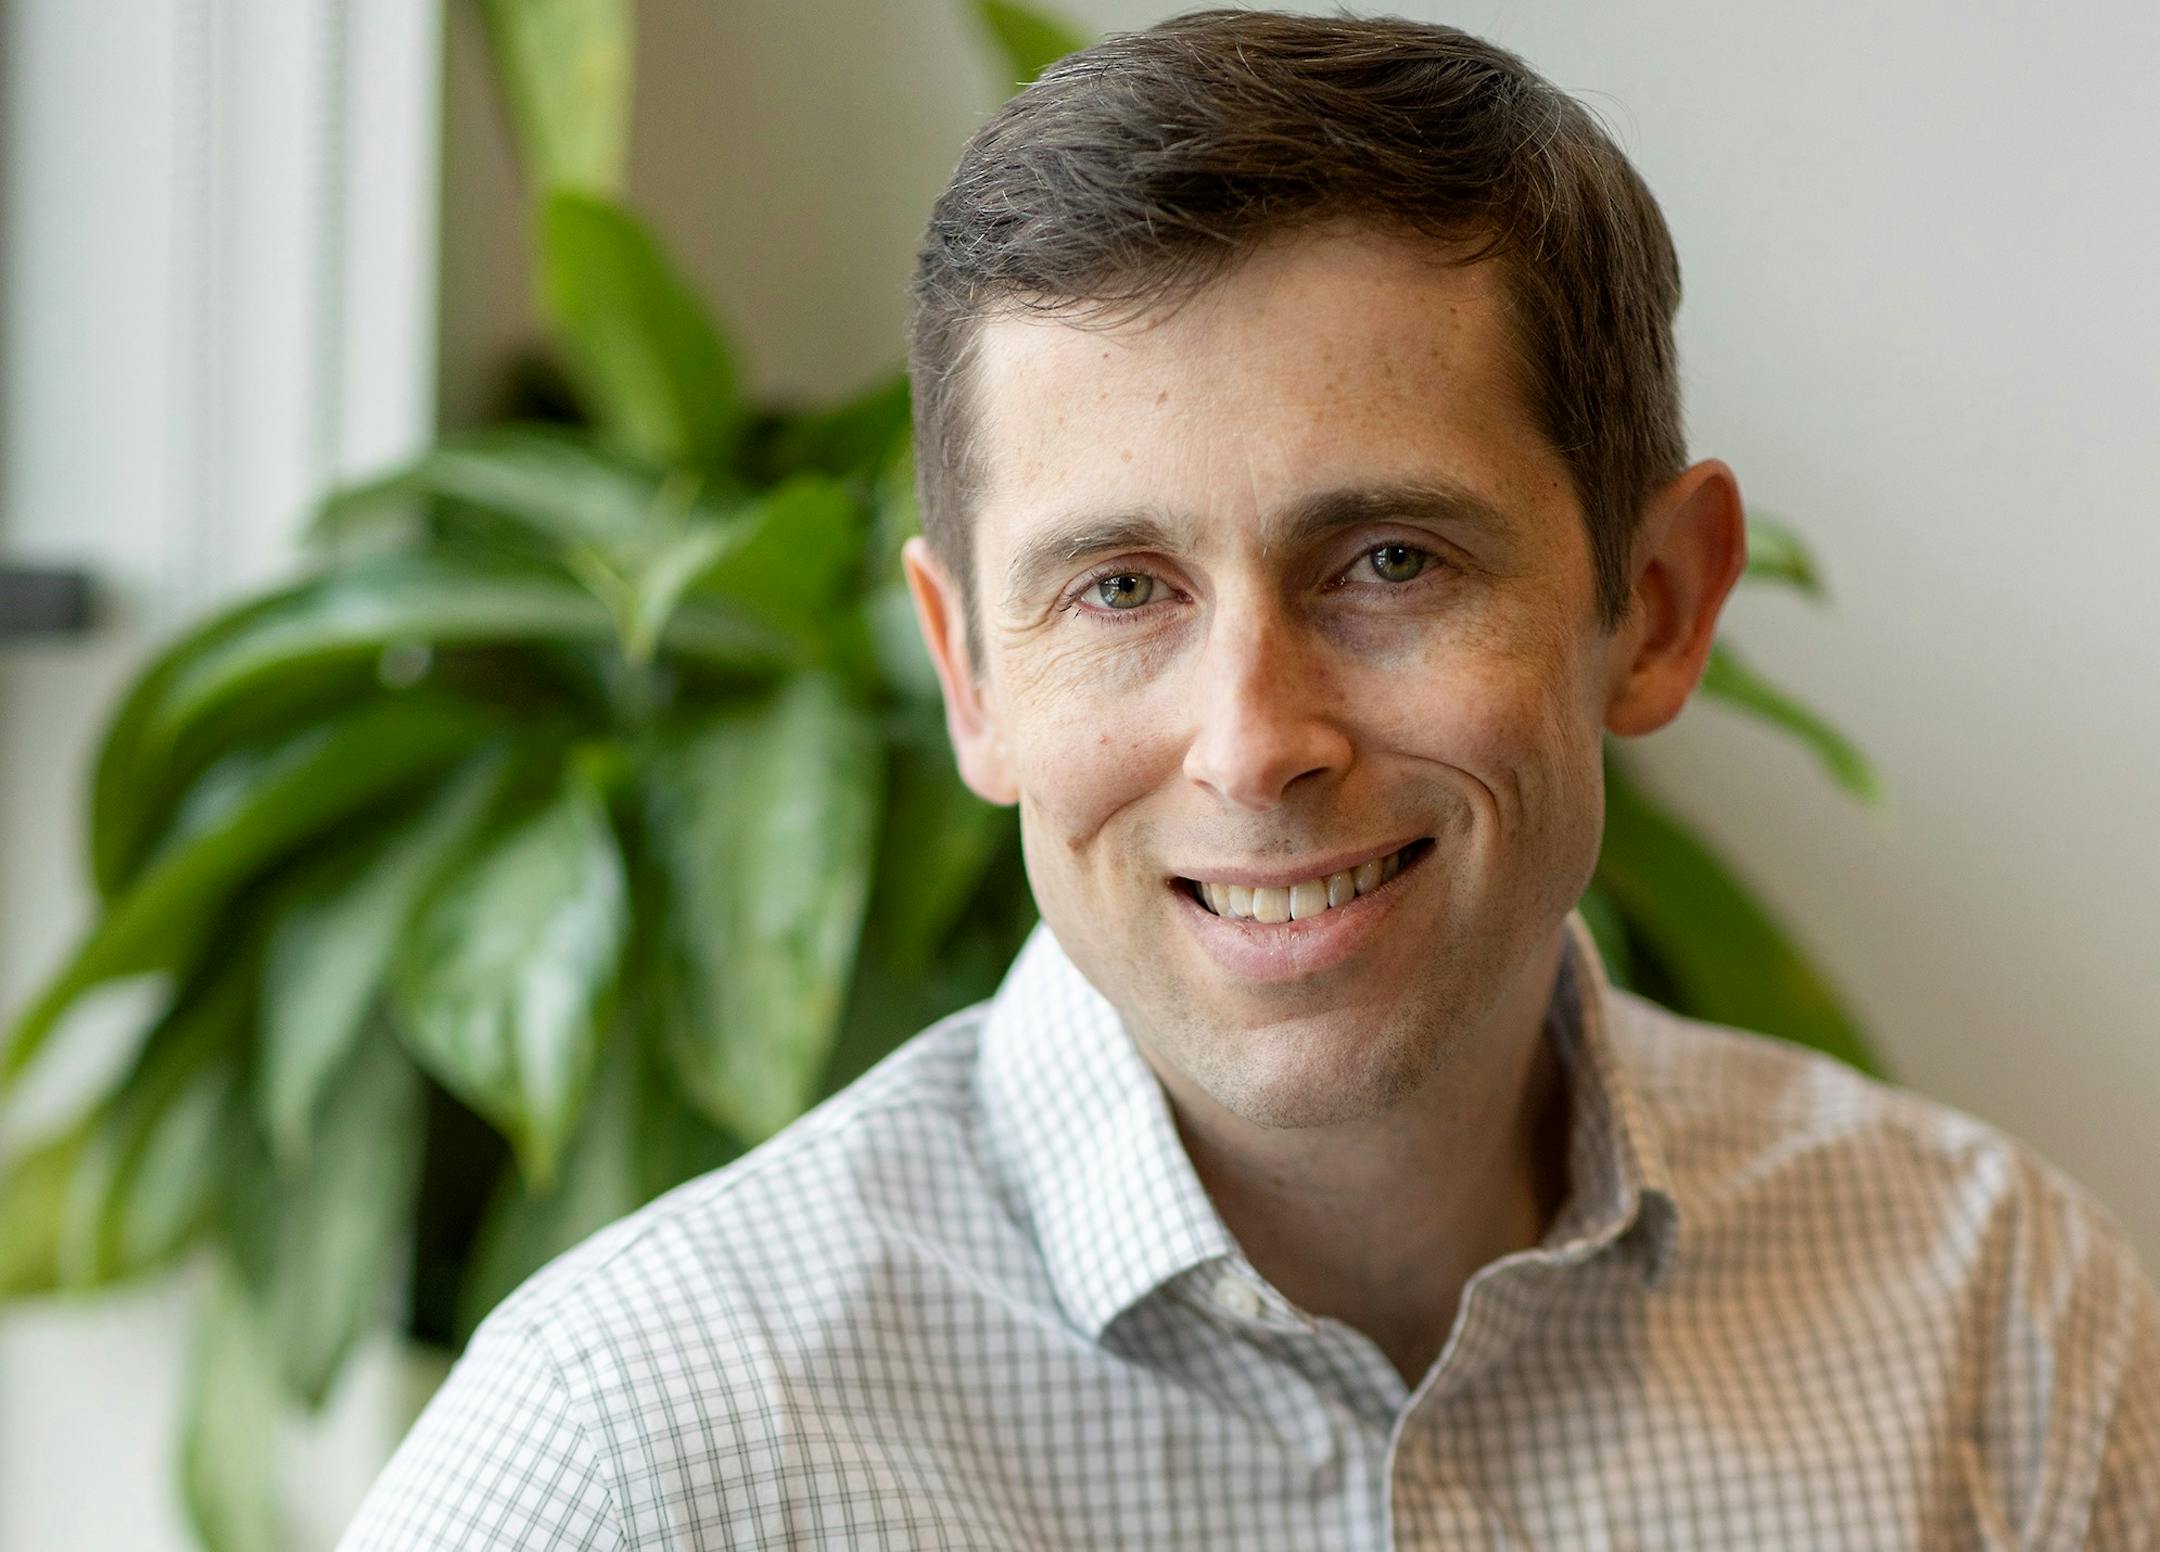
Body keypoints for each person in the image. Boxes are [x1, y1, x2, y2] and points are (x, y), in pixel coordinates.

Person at [338, 11, 2158, 1548]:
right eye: (1122, 590)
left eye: (1388, 564)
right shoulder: (635, 1454)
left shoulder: (2003, 1333)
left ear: (1654, 606)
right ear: (969, 672)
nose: (1253, 740)